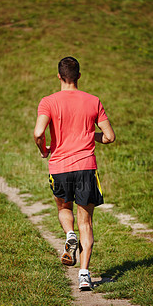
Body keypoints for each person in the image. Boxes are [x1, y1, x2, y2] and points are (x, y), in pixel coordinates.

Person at [34, 56, 115, 290]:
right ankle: (84, 274)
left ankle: (69, 234)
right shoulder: (93, 101)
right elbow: (109, 137)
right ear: (79, 76)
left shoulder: (48, 102)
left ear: (59, 76)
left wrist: (43, 149)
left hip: (59, 167)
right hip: (86, 167)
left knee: (63, 208)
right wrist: (91, 135)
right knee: (86, 221)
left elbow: (39, 132)